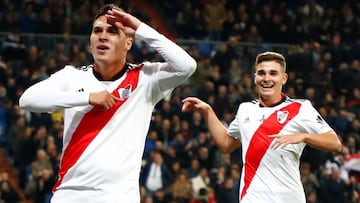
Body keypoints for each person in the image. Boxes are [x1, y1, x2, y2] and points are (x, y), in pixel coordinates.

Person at [19, 3, 196, 203]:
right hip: (69, 195)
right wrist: (86, 97)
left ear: (128, 43)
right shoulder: (71, 77)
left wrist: (140, 28)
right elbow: (27, 100)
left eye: (112, 31)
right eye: (97, 31)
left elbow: (187, 66)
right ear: (90, 41)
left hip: (119, 197)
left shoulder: (146, 79)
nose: (102, 36)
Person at [181, 51, 342, 203]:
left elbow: (334, 143)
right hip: (253, 197)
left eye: (273, 73)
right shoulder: (245, 109)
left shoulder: (300, 108)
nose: (266, 78)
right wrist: (207, 111)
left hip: (288, 198)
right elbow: (226, 144)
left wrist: (304, 136)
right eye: (261, 73)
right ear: (255, 77)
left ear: (284, 78)